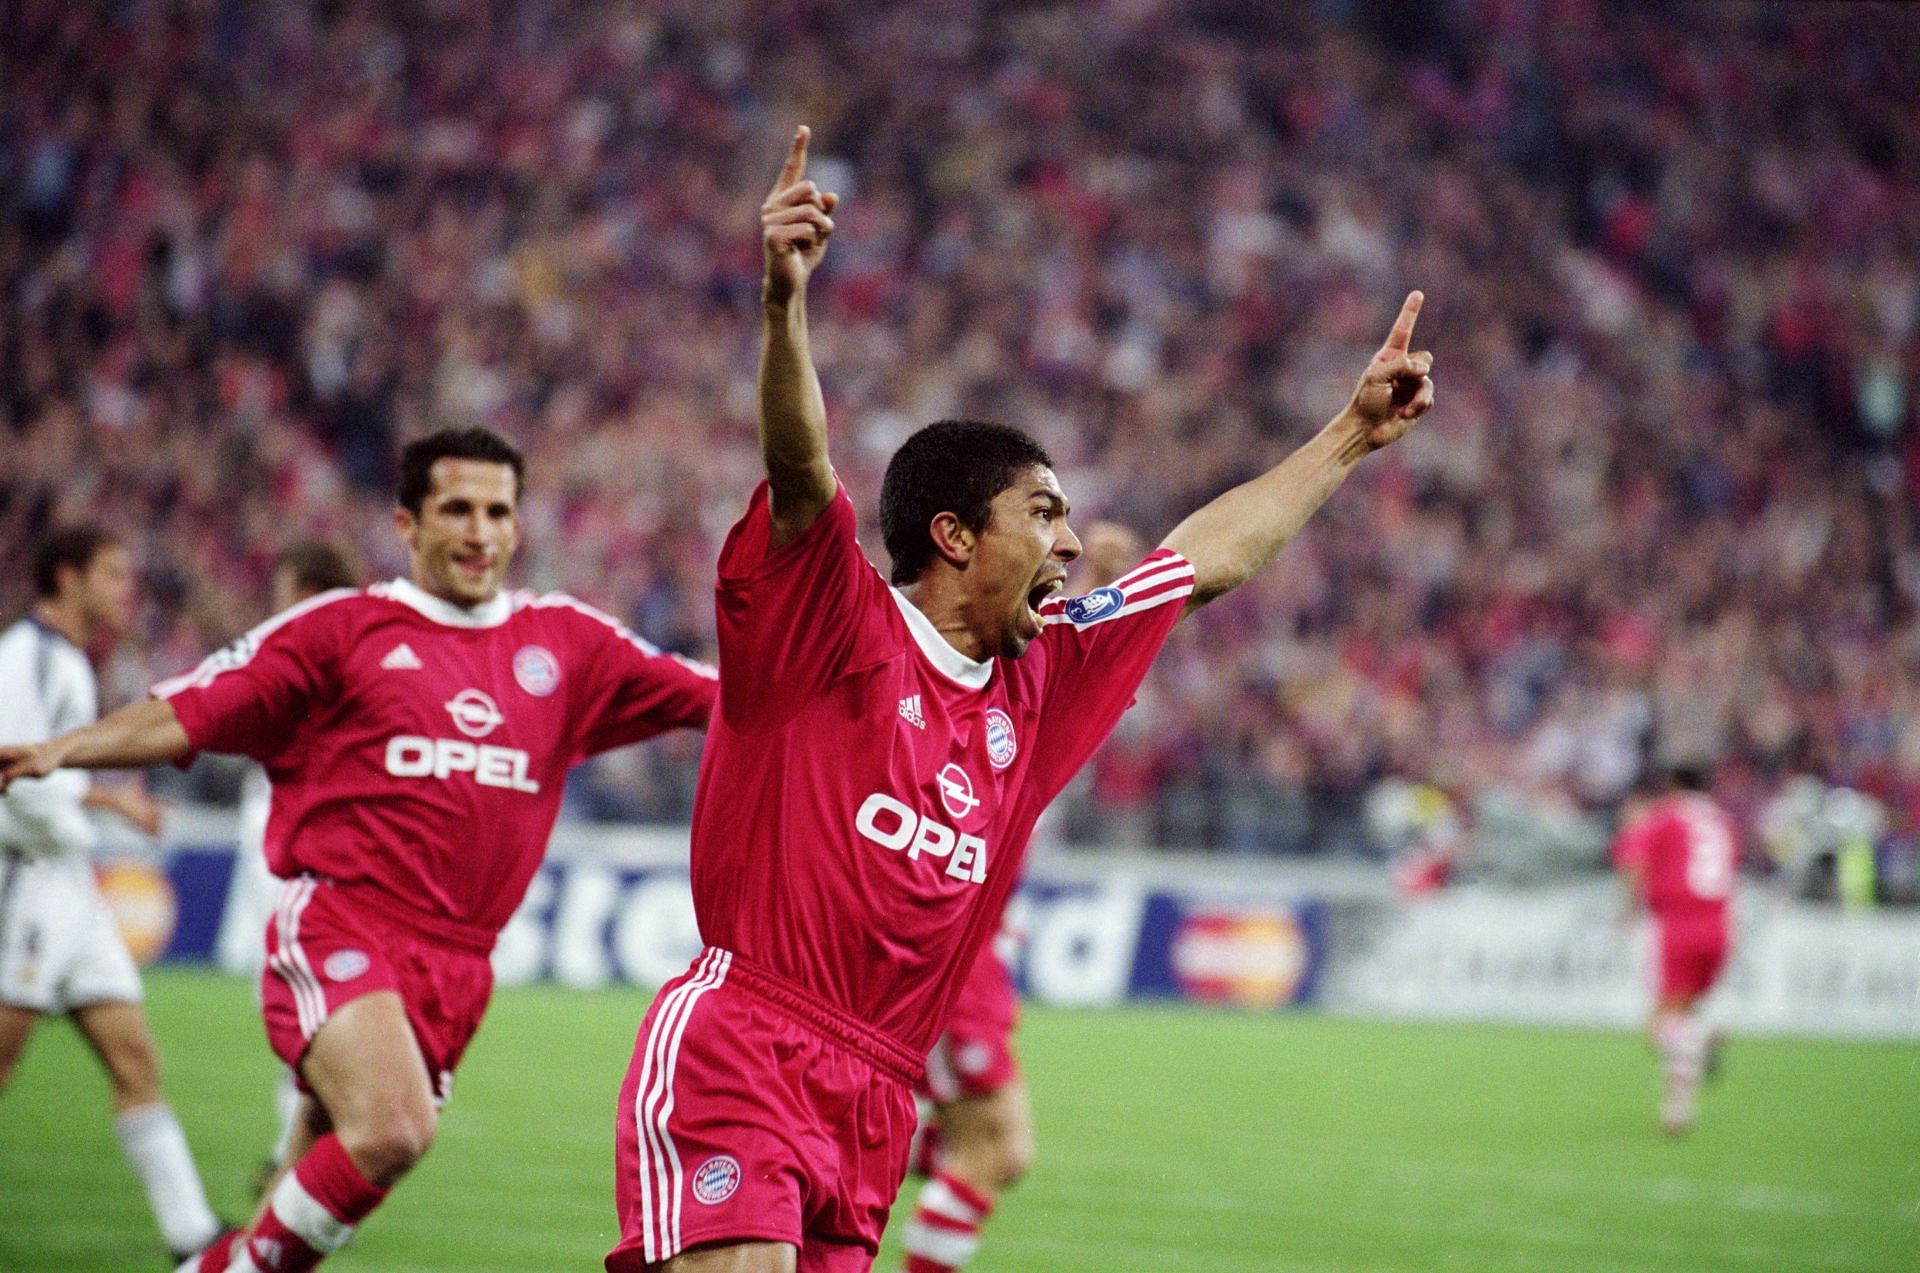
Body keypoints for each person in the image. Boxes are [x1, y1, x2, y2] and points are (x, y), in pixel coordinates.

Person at [606, 126, 1434, 1273]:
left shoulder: (1046, 678)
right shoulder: (827, 626)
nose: (1073, 541)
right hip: (748, 1042)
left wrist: (1349, 436)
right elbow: (802, 472)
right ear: (952, 534)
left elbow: (1207, 561)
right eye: (1043, 513)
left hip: (880, 1093)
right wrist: (781, 303)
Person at [1, 427, 719, 1273]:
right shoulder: (341, 629)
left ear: (520, 527)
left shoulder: (567, 642)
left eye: (497, 511)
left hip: (461, 967)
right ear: (408, 525)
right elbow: (189, 707)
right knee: (393, 1128)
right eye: (456, 509)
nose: (479, 532)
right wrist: (64, 749)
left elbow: (721, 699)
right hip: (345, 921)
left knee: (315, 1174)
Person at [896, 520, 1141, 1273]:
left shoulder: (1031, 697)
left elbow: (1075, 653)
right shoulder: (970, 689)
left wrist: (1102, 580)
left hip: (982, 954)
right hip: (957, 952)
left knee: (993, 1148)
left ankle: (884, 1130)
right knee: (1000, 1147)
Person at [0, 526, 224, 1264]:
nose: (126, 590)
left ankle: (193, 1239)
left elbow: (49, 767)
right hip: (27, 880)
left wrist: (110, 804)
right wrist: (88, 815)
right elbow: (14, 773)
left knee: (135, 1058)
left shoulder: (65, 660)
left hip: (70, 884)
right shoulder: (26, 655)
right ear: (67, 577)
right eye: (112, 572)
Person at [210, 543, 361, 1192]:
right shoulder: (342, 656)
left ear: (304, 593)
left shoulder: (314, 658)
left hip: (298, 856)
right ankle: (299, 1166)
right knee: (307, 1026)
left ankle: (306, 1171)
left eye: (283, 593)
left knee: (305, 1022)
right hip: (294, 849)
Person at [1612, 765, 1739, 1135]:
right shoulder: (1722, 821)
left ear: (1671, 785)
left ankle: (1702, 1037)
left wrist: (1627, 910)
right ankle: (1677, 1113)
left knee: (1659, 1028)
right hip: (1719, 926)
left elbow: (1632, 860)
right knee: (1683, 1019)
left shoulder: (1666, 817)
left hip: (1679, 926)